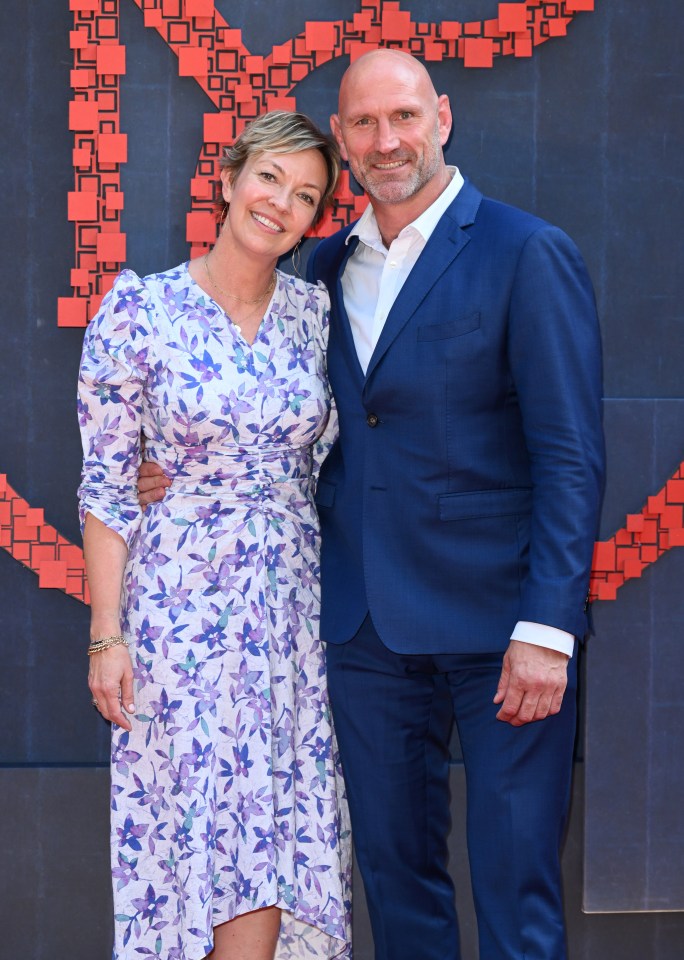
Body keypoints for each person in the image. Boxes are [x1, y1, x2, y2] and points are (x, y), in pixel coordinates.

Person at [140, 50, 605, 960]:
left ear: (441, 115)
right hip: (362, 635)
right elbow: (271, 415)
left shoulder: (526, 251)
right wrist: (179, 471)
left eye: (402, 117)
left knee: (518, 891)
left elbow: (569, 455)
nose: (385, 141)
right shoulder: (314, 270)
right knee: (398, 888)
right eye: (362, 123)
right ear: (344, 141)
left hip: (500, 631)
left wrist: (548, 628)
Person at [78, 111, 351, 960]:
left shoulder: (315, 316)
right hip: (179, 618)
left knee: (270, 829)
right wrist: (105, 636)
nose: (282, 204)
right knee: (190, 831)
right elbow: (107, 482)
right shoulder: (141, 308)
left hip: (290, 621)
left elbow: (337, 457)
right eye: (270, 178)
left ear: (316, 221)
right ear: (228, 178)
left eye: (305, 196)